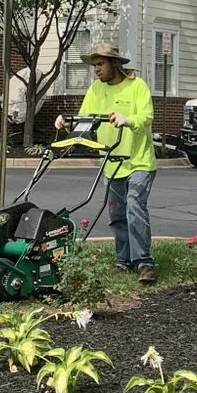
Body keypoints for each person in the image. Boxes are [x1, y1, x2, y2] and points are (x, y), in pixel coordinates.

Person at [55, 42, 157, 283]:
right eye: (94, 65)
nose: (96, 69)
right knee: (117, 214)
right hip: (112, 162)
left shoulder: (137, 86)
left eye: (100, 64)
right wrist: (65, 123)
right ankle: (123, 261)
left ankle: (144, 262)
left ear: (115, 64)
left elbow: (146, 117)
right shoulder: (96, 90)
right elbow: (84, 121)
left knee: (134, 208)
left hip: (138, 160)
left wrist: (127, 119)